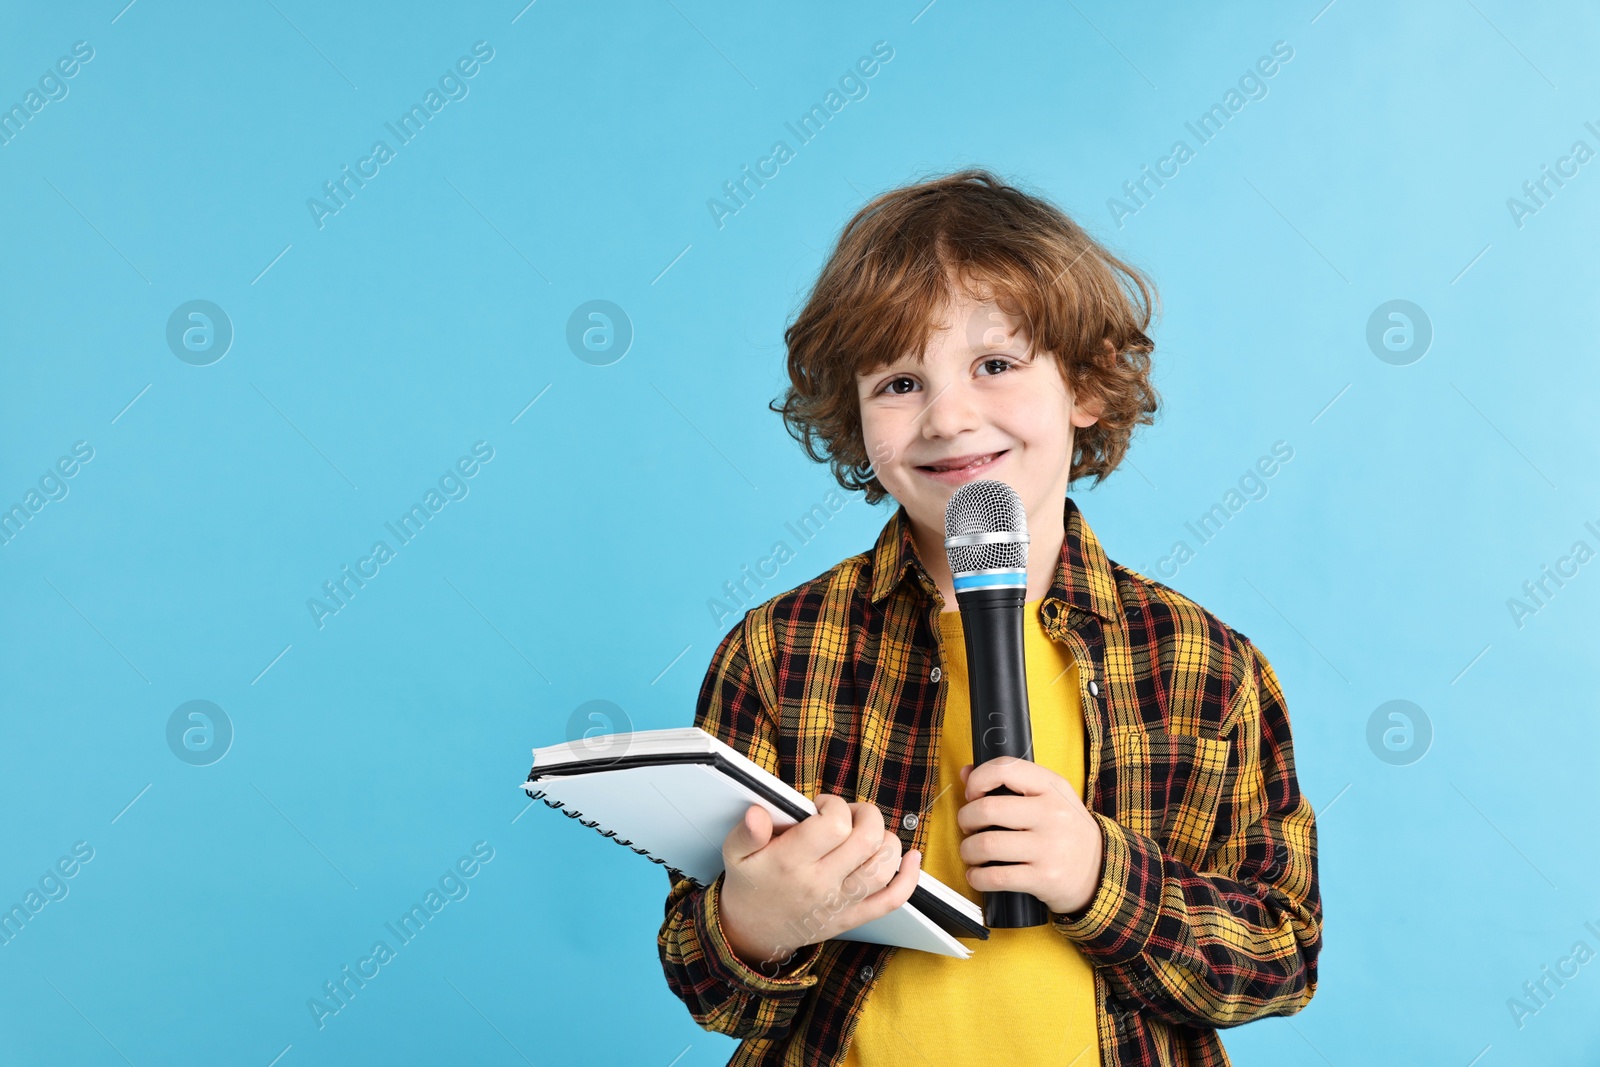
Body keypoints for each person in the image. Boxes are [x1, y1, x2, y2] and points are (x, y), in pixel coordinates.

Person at [657, 168, 1321, 1066]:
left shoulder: (1205, 665)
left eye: (995, 365)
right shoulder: (780, 651)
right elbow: (704, 980)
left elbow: (1282, 956)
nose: (949, 416)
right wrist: (755, 921)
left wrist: (1099, 874)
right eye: (898, 381)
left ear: (1084, 384)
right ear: (855, 417)